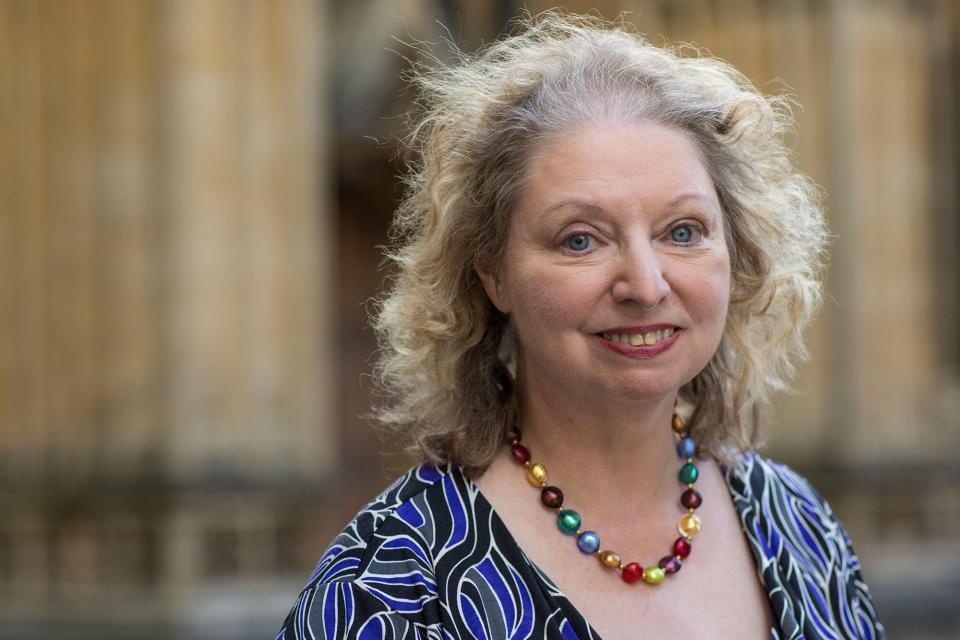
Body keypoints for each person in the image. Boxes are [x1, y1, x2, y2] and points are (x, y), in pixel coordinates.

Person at [278, 11, 885, 640]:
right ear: (492, 274)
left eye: (683, 231)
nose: (646, 286)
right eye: (580, 240)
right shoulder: (388, 593)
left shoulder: (799, 525)